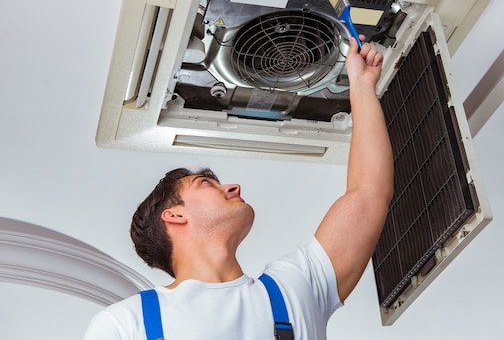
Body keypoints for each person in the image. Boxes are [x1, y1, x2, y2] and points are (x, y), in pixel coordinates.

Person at [83, 35, 394, 340]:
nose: (233, 187)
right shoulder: (125, 325)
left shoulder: (295, 289)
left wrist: (362, 86)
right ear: (174, 215)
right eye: (205, 183)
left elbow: (369, 192)